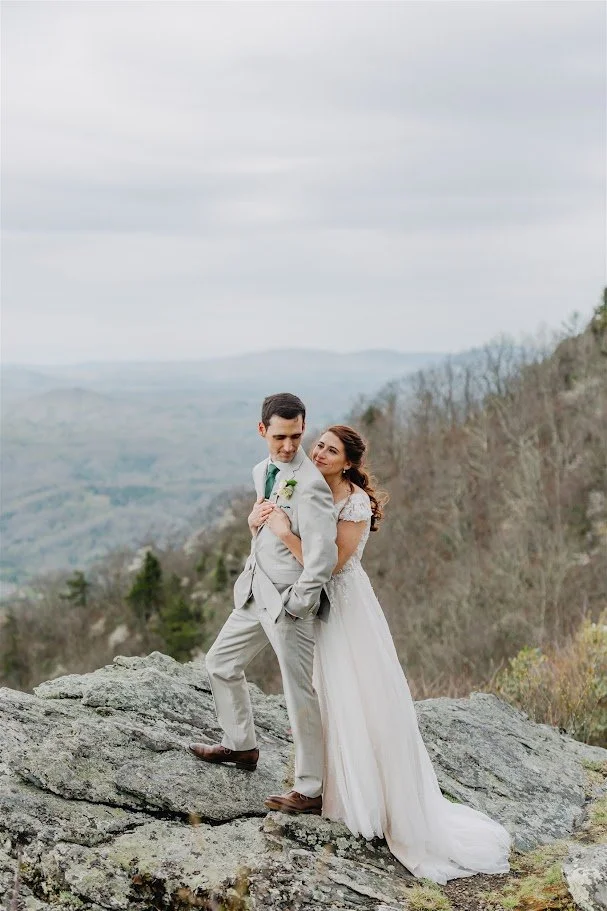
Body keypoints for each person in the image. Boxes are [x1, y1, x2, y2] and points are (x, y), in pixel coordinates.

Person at [263, 424, 511, 884]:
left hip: (347, 608)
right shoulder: (306, 484)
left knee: (360, 695)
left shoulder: (354, 501)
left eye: (330, 450)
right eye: (318, 444)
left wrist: (281, 533)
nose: (318, 452)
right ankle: (331, 785)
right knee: (326, 693)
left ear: (349, 462)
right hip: (314, 605)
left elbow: (332, 564)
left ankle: (373, 799)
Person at [189, 393, 337, 814]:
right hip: (256, 591)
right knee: (219, 663)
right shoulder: (262, 470)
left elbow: (322, 558)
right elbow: (269, 521)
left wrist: (299, 603)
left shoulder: (311, 486)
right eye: (280, 437)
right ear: (262, 431)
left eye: (295, 436)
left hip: (288, 603)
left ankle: (310, 788)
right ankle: (240, 746)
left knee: (298, 693)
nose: (289, 446)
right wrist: (254, 523)